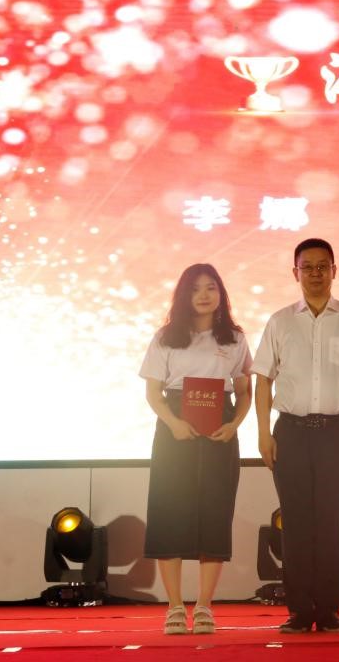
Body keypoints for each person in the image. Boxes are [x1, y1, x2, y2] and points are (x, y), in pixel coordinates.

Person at [253, 238, 339, 634]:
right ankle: (298, 610)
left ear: (334, 271)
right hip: (289, 432)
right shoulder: (280, 321)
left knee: (329, 522)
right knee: (294, 522)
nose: (315, 273)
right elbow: (263, 380)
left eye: (322, 266)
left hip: (337, 431)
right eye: (306, 267)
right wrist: (263, 433)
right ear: (295, 273)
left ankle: (328, 610)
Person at [140, 263, 252, 636]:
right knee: (169, 513)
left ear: (221, 294)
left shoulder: (234, 339)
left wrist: (234, 425)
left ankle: (204, 606)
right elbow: (153, 393)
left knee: (215, 514)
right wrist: (173, 423)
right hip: (174, 429)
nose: (204, 295)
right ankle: (174, 606)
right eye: (195, 288)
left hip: (219, 429)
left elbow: (244, 392)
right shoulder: (166, 337)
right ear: (183, 295)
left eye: (211, 288)